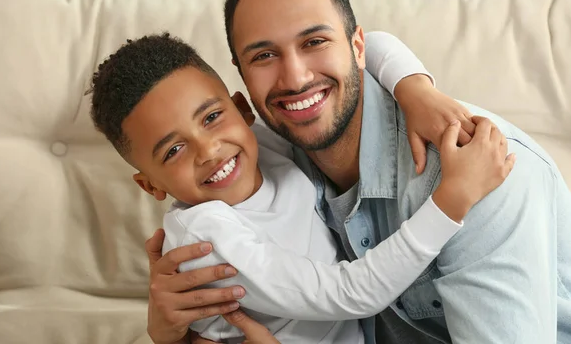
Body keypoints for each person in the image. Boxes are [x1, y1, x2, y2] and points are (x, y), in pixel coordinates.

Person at [145, 0, 571, 344]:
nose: (295, 78)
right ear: (240, 78)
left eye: (314, 42)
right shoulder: (264, 151)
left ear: (355, 46)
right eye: (264, 56)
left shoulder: (476, 172)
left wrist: (415, 89)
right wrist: (169, 328)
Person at [88, 32, 511, 343]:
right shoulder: (206, 236)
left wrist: (416, 91)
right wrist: (451, 201)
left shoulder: (262, 148)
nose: (209, 150)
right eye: (174, 149)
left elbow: (369, 40)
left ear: (240, 108)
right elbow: (351, 293)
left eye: (212, 117)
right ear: (150, 185)